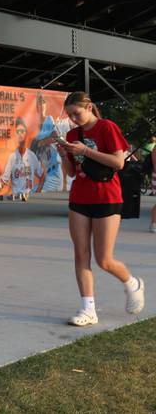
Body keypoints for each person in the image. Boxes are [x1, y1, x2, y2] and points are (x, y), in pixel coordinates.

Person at [55, 91, 144, 326]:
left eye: (77, 113)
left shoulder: (107, 127)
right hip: (80, 198)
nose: (74, 119)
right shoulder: (72, 134)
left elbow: (118, 162)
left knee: (104, 259)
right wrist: (65, 155)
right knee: (80, 255)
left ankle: (132, 283)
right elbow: (73, 173)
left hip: (107, 197)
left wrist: (85, 151)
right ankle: (88, 309)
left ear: (89, 107)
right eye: (70, 115)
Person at [1, 117, 44, 201]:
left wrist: (37, 193)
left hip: (29, 199)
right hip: (16, 199)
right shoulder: (12, 157)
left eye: (22, 131)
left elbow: (42, 175)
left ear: (26, 133)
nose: (20, 134)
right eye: (18, 132)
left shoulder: (32, 155)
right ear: (15, 135)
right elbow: (4, 180)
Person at [30, 93, 64, 192]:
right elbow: (33, 147)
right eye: (38, 103)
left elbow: (55, 137)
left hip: (55, 172)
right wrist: (42, 142)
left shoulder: (49, 120)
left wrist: (42, 142)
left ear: (45, 105)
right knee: (31, 194)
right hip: (47, 173)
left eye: (42, 102)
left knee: (34, 197)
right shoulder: (34, 125)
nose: (40, 105)